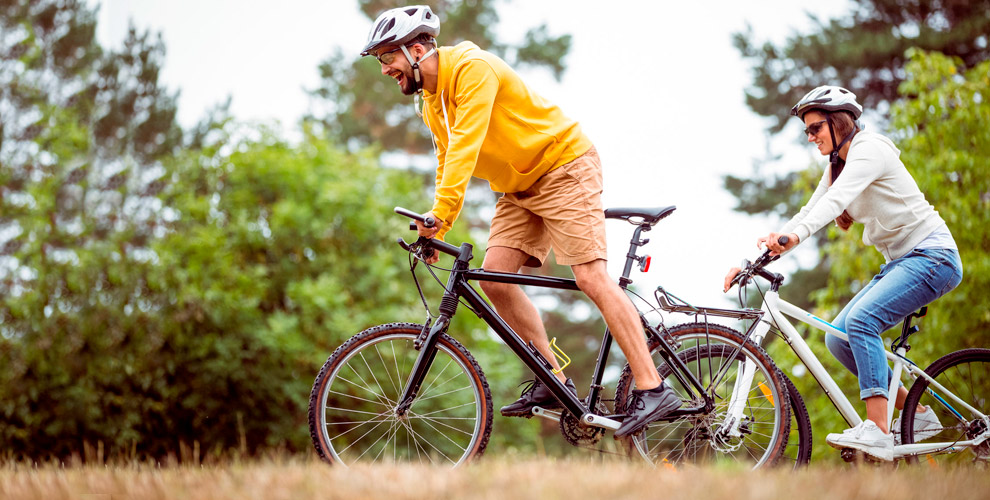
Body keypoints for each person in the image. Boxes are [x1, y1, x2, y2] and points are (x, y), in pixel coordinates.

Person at [360, 5, 680, 437]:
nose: (385, 69)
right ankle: (553, 379)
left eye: (388, 57)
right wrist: (440, 225)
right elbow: (446, 161)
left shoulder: (473, 69)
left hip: (563, 165)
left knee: (589, 276)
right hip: (518, 187)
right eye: (381, 60)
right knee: (494, 280)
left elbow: (465, 148)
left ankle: (653, 386)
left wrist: (441, 212)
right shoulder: (430, 101)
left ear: (418, 49)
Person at [723, 85, 963, 461]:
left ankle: (879, 431)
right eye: (806, 131)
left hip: (933, 256)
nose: (810, 137)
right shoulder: (838, 164)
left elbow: (836, 202)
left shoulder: (870, 150)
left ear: (839, 122)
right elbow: (810, 209)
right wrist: (765, 251)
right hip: (902, 262)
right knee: (838, 338)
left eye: (815, 127)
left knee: (862, 321)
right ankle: (918, 414)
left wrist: (794, 236)